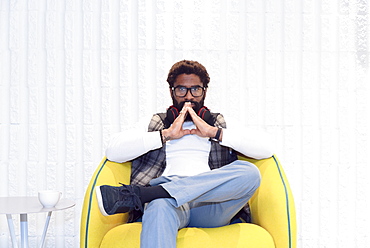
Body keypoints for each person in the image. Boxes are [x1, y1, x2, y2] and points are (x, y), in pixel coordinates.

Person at [95, 60, 273, 248]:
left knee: (250, 173)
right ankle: (157, 194)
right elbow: (113, 151)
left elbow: (266, 148)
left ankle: (143, 195)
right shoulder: (157, 123)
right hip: (168, 205)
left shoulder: (218, 122)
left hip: (211, 205)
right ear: (172, 91)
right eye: (181, 89)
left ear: (204, 91)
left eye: (195, 89)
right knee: (159, 205)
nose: (189, 97)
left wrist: (214, 132)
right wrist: (166, 135)